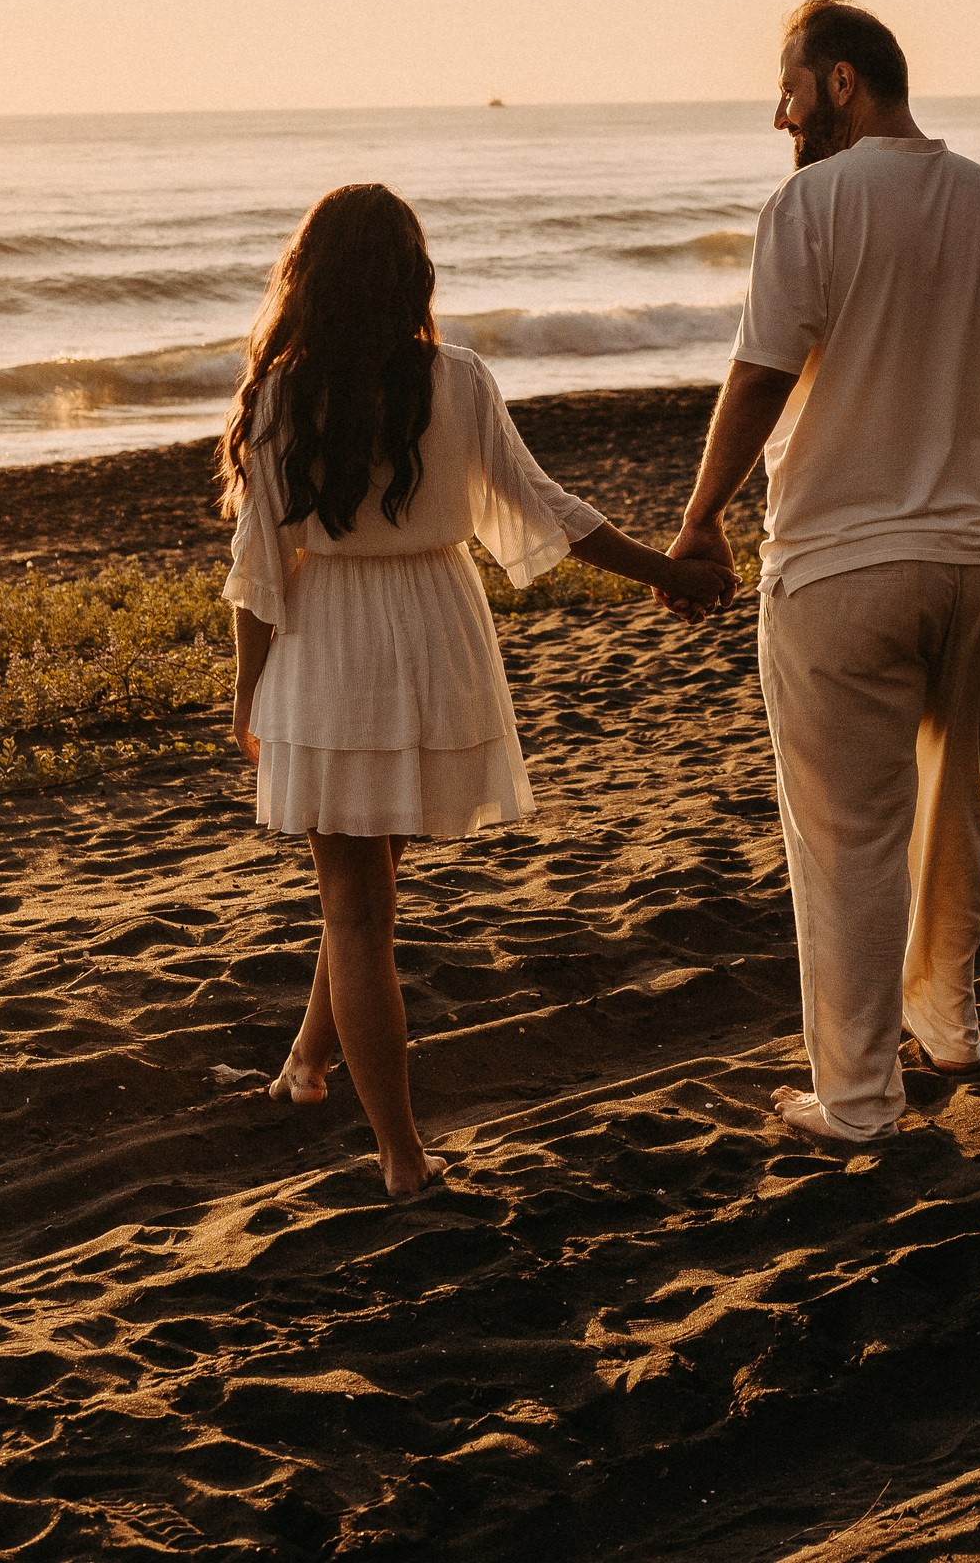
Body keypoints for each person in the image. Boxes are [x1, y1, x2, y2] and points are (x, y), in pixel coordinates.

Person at [221, 182, 733, 1199]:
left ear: (305, 280)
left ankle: (401, 1158)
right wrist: (665, 572)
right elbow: (543, 508)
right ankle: (307, 1064)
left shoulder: (280, 393)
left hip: (331, 641)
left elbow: (259, 566)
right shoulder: (454, 377)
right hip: (435, 634)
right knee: (364, 890)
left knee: (356, 903)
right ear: (413, 275)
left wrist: (247, 690)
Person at [668, 0, 980, 1144]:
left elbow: (757, 376)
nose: (777, 112)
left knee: (845, 834)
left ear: (841, 82)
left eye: (789, 88)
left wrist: (699, 519)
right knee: (952, 795)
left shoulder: (810, 203)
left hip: (843, 566)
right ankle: (944, 1023)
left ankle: (853, 1098)